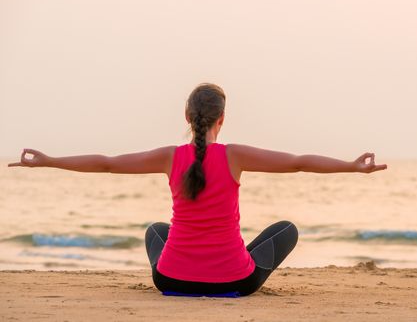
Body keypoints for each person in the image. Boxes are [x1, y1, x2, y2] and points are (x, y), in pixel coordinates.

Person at [8, 83, 387, 296]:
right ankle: (225, 271)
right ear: (223, 118)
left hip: (170, 280)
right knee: (286, 230)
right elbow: (298, 161)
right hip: (233, 282)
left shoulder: (169, 157)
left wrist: (48, 160)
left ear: (186, 117)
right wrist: (352, 167)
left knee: (156, 230)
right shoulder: (235, 156)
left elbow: (107, 163)